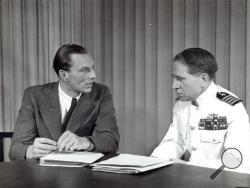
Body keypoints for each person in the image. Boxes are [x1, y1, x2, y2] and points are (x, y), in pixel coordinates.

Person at [9, 44, 119, 160]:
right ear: (64, 75)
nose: (93, 75)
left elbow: (111, 141)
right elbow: (15, 150)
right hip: (42, 174)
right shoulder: (34, 95)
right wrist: (31, 151)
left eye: (92, 68)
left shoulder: (101, 93)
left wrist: (86, 142)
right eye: (84, 70)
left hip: (83, 174)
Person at [151, 48, 250, 172]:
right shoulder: (182, 104)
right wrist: (152, 163)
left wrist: (186, 167)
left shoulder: (230, 107)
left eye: (181, 79)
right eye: (174, 78)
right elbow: (174, 143)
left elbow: (236, 162)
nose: (174, 85)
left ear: (203, 79)